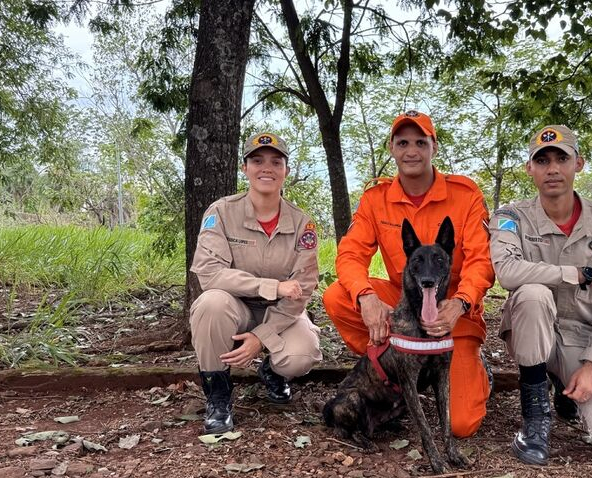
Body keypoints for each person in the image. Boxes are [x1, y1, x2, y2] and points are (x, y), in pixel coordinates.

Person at [323, 110, 495, 438]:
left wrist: (460, 303)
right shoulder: (376, 198)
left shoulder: (465, 195)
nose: (411, 150)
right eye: (403, 142)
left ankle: (473, 367)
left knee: (461, 425)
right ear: (391, 147)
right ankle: (397, 371)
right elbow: (349, 255)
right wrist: (366, 297)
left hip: (454, 313)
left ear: (434, 147)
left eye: (421, 142)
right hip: (406, 305)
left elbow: (482, 260)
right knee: (337, 296)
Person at [489, 125, 592, 465]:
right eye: (542, 160)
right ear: (530, 168)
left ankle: (566, 385)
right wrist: (581, 274)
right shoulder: (510, 217)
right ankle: (535, 419)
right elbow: (508, 273)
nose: (553, 168)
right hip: (530, 333)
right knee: (532, 294)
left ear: (579, 164)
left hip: (581, 339)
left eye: (562, 158)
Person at [189, 132, 321, 434]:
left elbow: (302, 289)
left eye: (276, 162)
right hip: (236, 308)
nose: (267, 168)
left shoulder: (303, 223)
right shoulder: (221, 212)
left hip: (283, 314)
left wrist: (261, 338)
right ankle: (218, 397)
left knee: (301, 355)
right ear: (244, 168)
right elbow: (210, 273)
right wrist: (270, 286)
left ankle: (272, 371)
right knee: (210, 304)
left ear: (286, 170)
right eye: (257, 160)